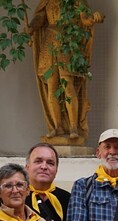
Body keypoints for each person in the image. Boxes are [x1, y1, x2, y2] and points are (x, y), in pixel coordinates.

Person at [28, 0, 104, 140]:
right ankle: (57, 127)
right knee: (52, 86)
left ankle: (73, 127)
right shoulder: (47, 1)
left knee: (67, 84)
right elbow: (40, 17)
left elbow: (85, 19)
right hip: (49, 43)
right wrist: (31, 27)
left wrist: (94, 18)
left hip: (68, 43)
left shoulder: (77, 1)